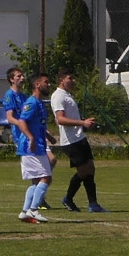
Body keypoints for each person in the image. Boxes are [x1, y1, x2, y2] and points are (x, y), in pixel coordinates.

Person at [51, 70, 107, 213]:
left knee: (90, 169)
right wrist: (82, 123)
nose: (73, 80)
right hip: (70, 141)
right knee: (83, 171)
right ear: (62, 79)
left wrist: (85, 124)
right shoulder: (58, 96)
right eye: (70, 77)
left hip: (79, 138)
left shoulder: (67, 95)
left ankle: (93, 204)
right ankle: (68, 199)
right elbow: (60, 119)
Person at [13, 73, 54, 224]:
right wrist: (31, 138)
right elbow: (22, 121)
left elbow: (38, 124)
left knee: (37, 181)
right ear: (37, 85)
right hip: (31, 147)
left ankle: (25, 211)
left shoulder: (40, 103)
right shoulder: (31, 103)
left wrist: (48, 137)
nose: (49, 85)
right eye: (46, 82)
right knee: (46, 177)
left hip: (38, 146)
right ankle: (34, 209)